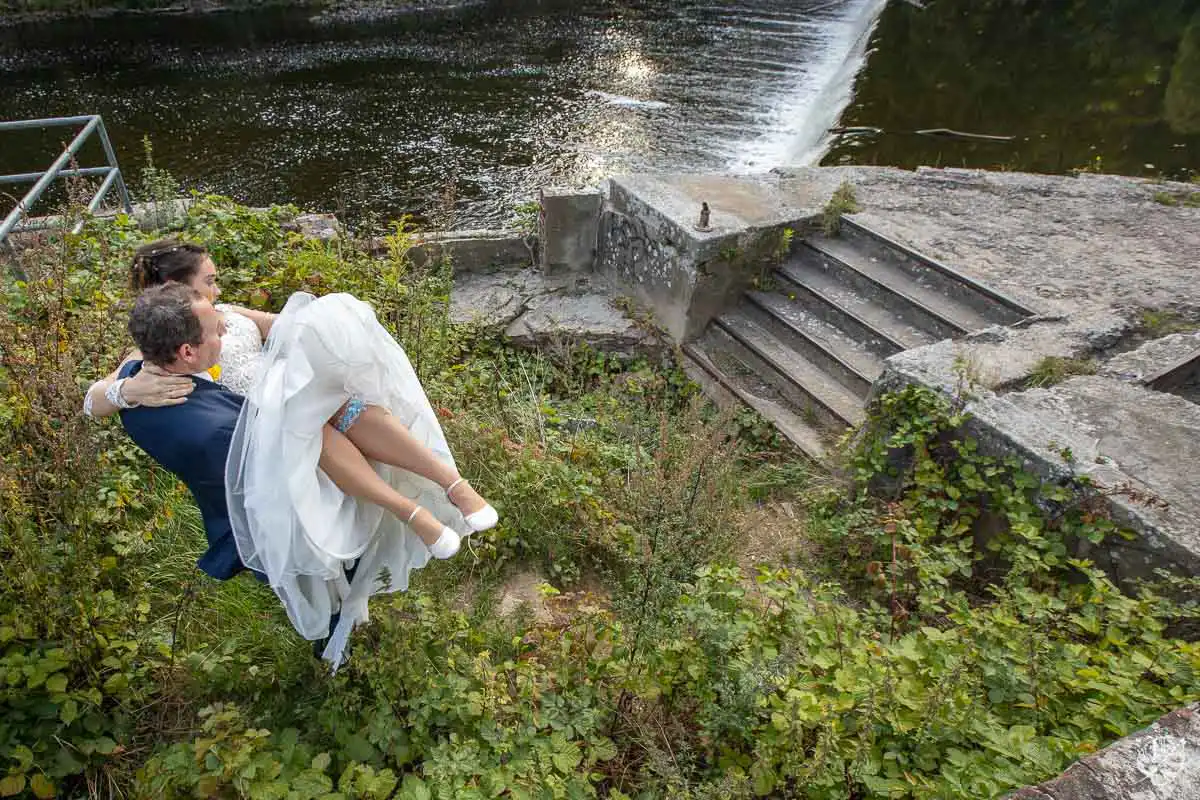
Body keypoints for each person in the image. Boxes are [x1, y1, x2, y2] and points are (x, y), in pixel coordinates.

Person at [96, 241, 497, 666]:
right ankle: (411, 516)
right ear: (180, 287)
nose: (218, 289)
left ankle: (451, 484)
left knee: (340, 398)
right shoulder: (163, 344)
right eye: (209, 281)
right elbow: (95, 398)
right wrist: (126, 389)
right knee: (309, 418)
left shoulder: (223, 313)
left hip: (296, 401)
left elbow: (284, 325)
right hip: (269, 430)